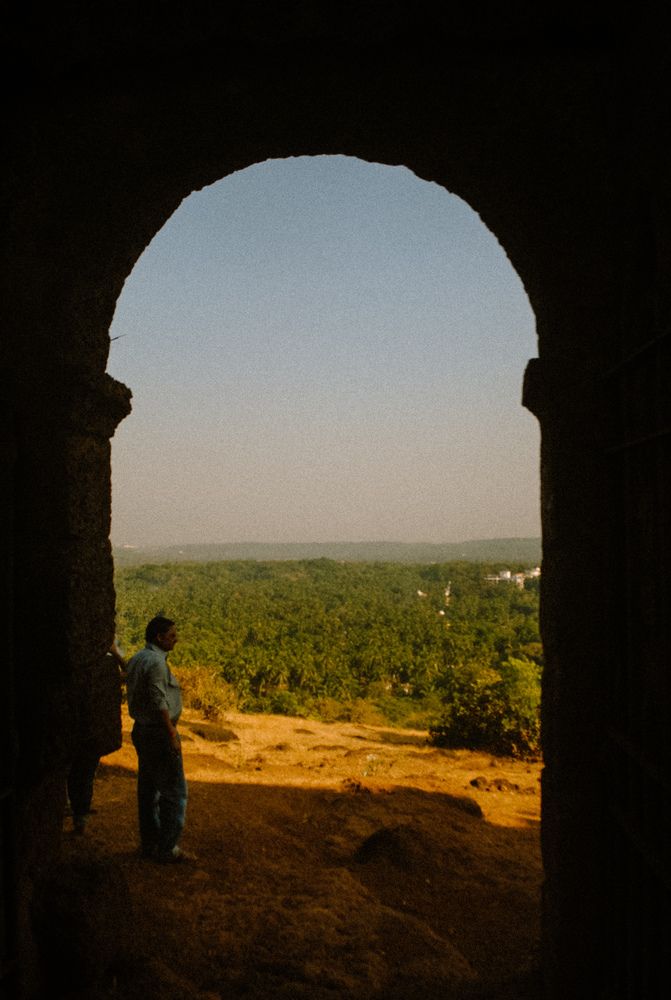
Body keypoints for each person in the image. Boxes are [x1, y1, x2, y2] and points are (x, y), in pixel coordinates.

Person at [125, 615, 191, 863]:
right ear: (158, 638)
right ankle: (167, 848)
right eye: (172, 635)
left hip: (142, 730)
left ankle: (150, 844)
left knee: (148, 789)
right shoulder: (156, 663)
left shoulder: (139, 657)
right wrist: (171, 733)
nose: (176, 639)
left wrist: (116, 654)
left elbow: (129, 673)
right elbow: (158, 698)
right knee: (175, 792)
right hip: (159, 732)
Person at [67, 639, 126, 834]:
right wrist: (116, 654)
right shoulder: (107, 666)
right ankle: (80, 814)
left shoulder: (82, 664)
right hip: (93, 730)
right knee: (84, 773)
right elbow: (128, 673)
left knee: (78, 772)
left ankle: (79, 811)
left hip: (80, 728)